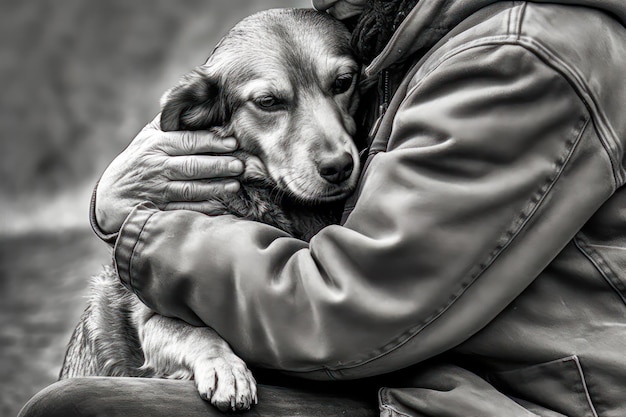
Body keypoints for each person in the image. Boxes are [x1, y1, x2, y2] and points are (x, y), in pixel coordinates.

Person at [20, 0, 626, 416]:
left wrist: (136, 225)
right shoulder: (404, 39)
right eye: (271, 104)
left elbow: (344, 311)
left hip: (507, 398)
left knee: (77, 410)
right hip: (432, 374)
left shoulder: (516, 54)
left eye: (342, 86)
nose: (335, 149)